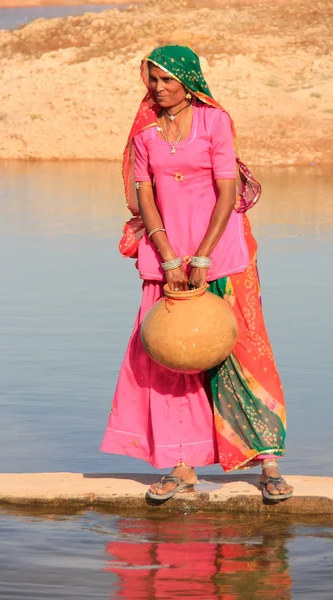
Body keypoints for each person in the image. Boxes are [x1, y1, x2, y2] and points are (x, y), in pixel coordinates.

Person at [101, 45, 293, 503]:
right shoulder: (147, 134)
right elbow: (146, 198)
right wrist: (168, 254)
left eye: (167, 80)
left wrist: (202, 256)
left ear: (188, 82)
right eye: (153, 79)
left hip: (222, 254)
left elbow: (227, 192)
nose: (158, 88)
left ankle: (268, 464)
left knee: (243, 351)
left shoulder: (215, 123)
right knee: (170, 356)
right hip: (166, 259)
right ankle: (181, 465)